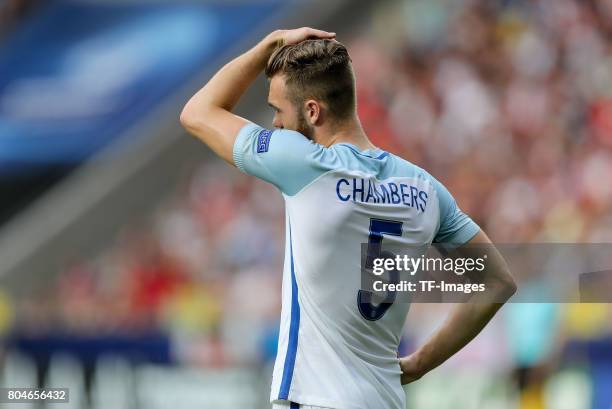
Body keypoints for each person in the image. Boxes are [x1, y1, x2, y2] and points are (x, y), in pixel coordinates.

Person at [180, 27, 516, 409]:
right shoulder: (425, 189)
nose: (274, 123)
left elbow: (198, 112)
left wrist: (269, 44)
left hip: (315, 398)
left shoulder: (303, 163)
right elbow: (496, 282)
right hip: (384, 399)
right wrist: (421, 363)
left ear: (312, 110)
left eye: (277, 110)